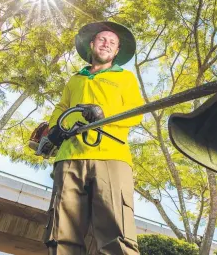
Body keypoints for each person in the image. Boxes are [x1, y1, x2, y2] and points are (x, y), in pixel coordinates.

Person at [44, 21, 144, 255]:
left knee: (117, 232)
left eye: (112, 42)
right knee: (61, 234)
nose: (106, 44)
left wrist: (101, 114)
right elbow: (61, 109)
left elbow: (136, 112)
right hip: (69, 157)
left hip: (111, 157)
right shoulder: (75, 79)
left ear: (117, 51)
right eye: (102, 39)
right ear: (92, 44)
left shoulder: (125, 78)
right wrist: (57, 128)